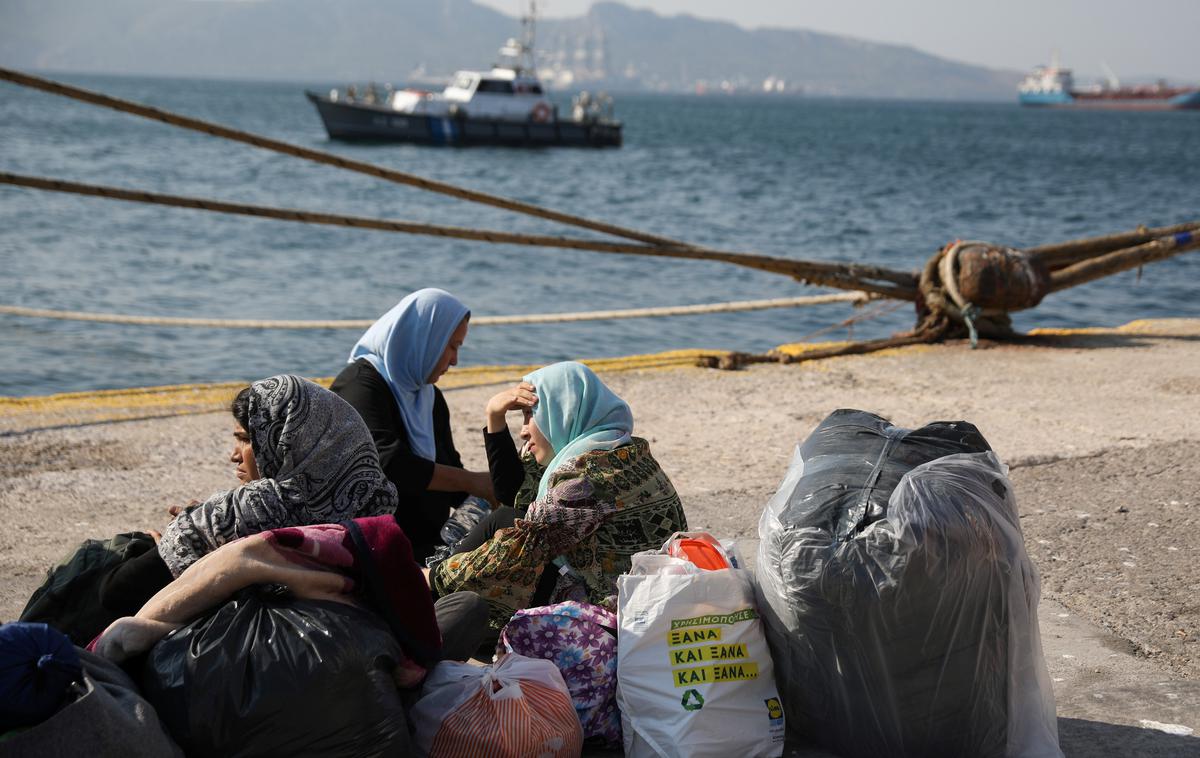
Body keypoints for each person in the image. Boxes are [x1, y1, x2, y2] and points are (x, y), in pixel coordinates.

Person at [98, 374, 398, 617]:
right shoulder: (373, 500)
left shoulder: (239, 514)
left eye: (245, 439)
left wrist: (178, 537)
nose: (234, 456)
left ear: (283, 442)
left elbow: (115, 593)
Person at [430, 361, 689, 628]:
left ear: (561, 414)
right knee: (507, 519)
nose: (523, 429)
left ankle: (424, 598)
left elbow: (515, 550)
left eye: (532, 416)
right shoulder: (623, 450)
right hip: (647, 603)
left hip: (611, 621)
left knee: (500, 570)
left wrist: (433, 575)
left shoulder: (583, 476)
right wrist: (495, 418)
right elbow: (514, 497)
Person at [330, 288, 495, 562]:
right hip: (371, 547)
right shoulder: (360, 385)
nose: (455, 360)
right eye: (451, 346)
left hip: (426, 545)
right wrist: (473, 482)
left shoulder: (428, 396)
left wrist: (493, 491)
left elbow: (448, 466)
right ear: (424, 339)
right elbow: (388, 464)